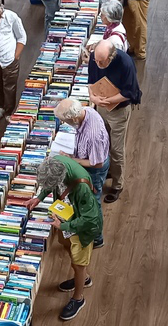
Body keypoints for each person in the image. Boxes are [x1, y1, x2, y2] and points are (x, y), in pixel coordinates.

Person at [25, 156, 103, 320]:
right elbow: (52, 184)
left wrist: (64, 226)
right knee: (69, 249)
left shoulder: (81, 186)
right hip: (65, 216)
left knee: (79, 263)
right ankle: (84, 279)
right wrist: (39, 198)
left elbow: (91, 219)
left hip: (80, 228)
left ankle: (78, 298)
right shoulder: (55, 163)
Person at [88, 40, 140, 204]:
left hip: (119, 110)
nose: (97, 63)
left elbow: (130, 92)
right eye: (96, 60)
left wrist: (109, 100)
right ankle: (108, 170)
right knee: (102, 142)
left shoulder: (125, 63)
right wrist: (93, 97)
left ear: (111, 57)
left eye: (101, 61)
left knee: (117, 149)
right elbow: (91, 80)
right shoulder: (95, 57)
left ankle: (118, 185)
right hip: (101, 106)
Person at [54, 97, 110, 248]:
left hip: (94, 169)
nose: (65, 124)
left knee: (93, 202)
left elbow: (96, 163)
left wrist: (73, 160)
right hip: (88, 158)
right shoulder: (88, 111)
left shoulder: (93, 136)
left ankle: (97, 237)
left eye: (65, 121)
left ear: (73, 117)